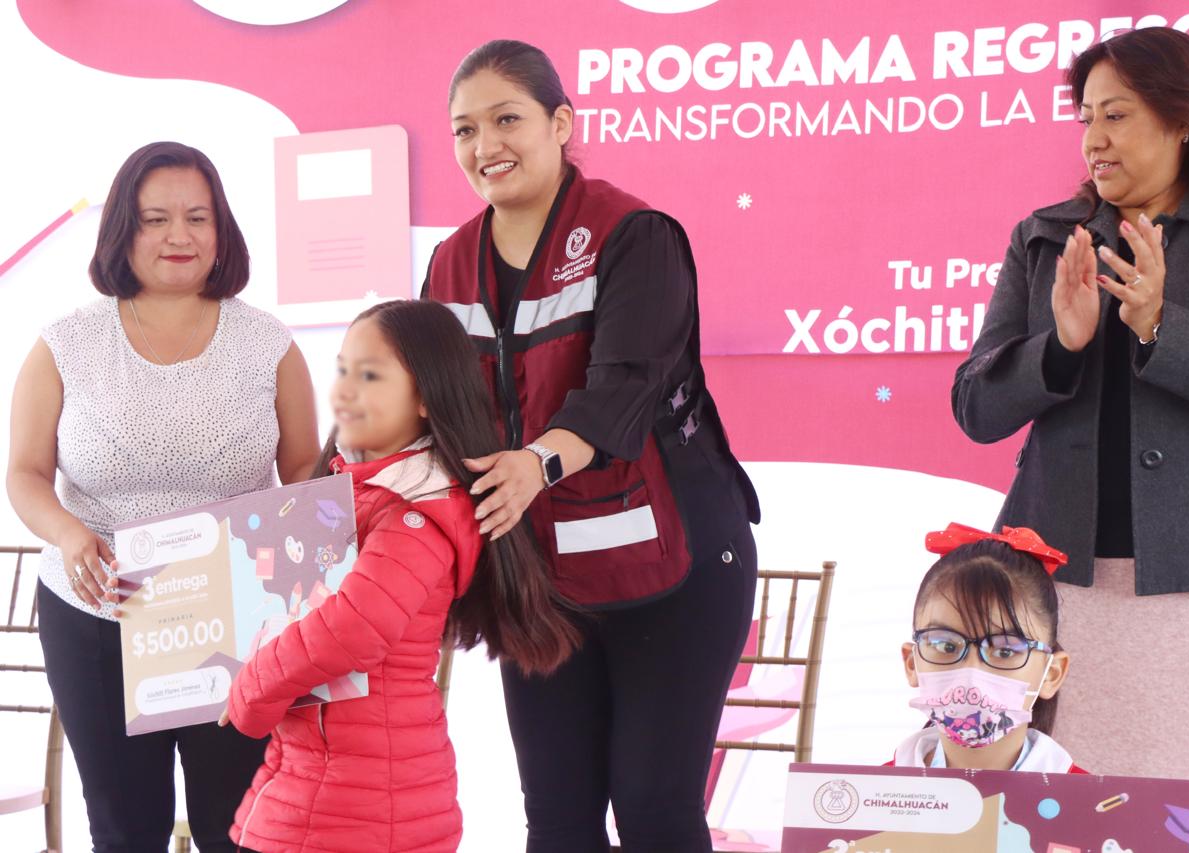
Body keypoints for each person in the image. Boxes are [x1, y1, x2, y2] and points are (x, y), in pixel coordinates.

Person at [422, 39, 761, 853]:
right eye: (465, 129)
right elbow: (422, 406)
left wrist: (535, 462)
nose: (485, 145)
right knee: (559, 821)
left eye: (507, 119)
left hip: (676, 562)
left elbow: (625, 388)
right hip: (541, 581)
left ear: (561, 123)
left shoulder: (635, 234)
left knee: (653, 809)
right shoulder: (449, 263)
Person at [950, 27, 1189, 852]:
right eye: (1086, 117)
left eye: (1117, 115)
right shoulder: (1044, 235)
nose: (1094, 139)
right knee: (1053, 807)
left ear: (1184, 121)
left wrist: (1166, 325)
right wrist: (1058, 347)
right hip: (1056, 577)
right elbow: (976, 405)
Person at [5, 141, 319, 852]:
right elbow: (24, 472)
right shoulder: (65, 344)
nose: (180, 235)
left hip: (238, 622)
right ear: (123, 229)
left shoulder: (268, 344)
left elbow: (303, 466)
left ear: (221, 230)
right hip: (98, 613)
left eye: (197, 217)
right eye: (155, 219)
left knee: (238, 828)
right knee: (125, 831)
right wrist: (68, 533)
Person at [222, 300, 578, 853]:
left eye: (369, 375)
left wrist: (251, 687)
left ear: (426, 397)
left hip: (364, 810)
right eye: (342, 370)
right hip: (322, 790)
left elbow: (355, 628)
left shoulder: (418, 509)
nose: (345, 390)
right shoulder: (352, 492)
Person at [892, 524, 1080, 773]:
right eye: (946, 646)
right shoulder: (867, 792)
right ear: (912, 663)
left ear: (1052, 674)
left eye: (1005, 651)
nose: (971, 673)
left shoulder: (1091, 797)